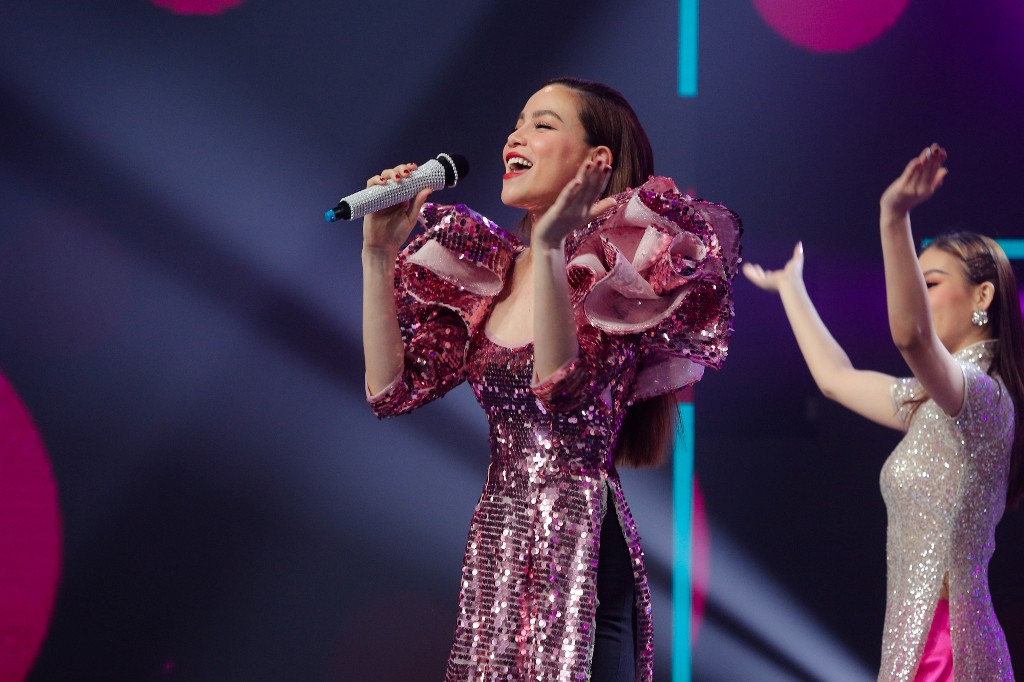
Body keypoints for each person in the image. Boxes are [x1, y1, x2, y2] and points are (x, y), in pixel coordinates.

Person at [360, 77, 741, 681]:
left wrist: (552, 245)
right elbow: (391, 391)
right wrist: (378, 255)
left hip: (579, 546)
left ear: (596, 161)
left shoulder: (610, 269)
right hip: (501, 541)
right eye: (517, 123)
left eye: (542, 124)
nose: (515, 137)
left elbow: (560, 386)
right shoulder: (491, 270)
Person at [744, 144, 1023, 681]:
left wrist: (893, 217)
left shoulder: (986, 399)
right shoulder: (933, 403)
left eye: (929, 282)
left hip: (949, 649)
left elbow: (911, 336)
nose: (916, 292)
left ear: (982, 296)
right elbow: (836, 378)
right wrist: (791, 289)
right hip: (918, 645)